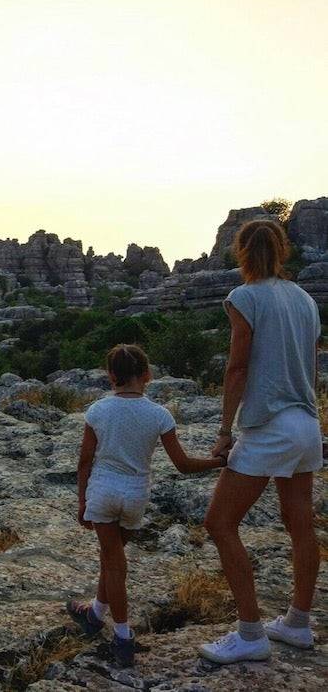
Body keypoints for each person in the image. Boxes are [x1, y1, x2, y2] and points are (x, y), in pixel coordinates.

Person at [199, 219, 323, 664]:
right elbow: (310, 365)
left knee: (219, 522)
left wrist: (224, 431)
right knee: (301, 525)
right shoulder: (306, 299)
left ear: (242, 253)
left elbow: (237, 367)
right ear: (283, 250)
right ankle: (298, 623)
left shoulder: (244, 297)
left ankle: (251, 634)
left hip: (268, 425)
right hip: (306, 424)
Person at [68, 343, 227, 667]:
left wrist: (82, 499)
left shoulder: (98, 411)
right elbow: (182, 464)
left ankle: (124, 637)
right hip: (135, 495)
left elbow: (85, 461)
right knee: (111, 557)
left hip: (104, 491)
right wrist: (217, 462)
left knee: (113, 562)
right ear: (147, 375)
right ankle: (95, 614)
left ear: (111, 376)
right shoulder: (159, 415)